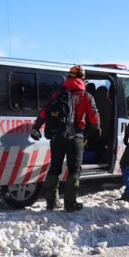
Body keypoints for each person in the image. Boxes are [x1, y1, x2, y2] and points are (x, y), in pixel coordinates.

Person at [30, 65, 100, 212]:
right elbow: (94, 116)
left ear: (69, 76)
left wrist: (36, 127)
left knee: (54, 168)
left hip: (56, 136)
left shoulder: (57, 94)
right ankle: (70, 203)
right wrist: (96, 129)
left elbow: (44, 112)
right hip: (76, 137)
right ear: (82, 78)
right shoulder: (86, 96)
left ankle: (51, 202)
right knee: (74, 170)